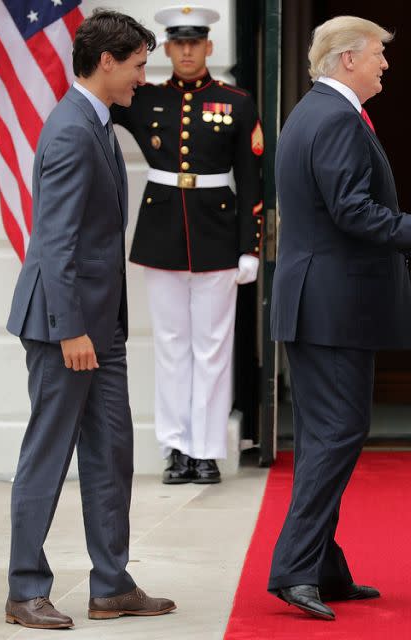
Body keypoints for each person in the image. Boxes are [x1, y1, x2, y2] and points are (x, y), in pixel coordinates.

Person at [268, 15, 411, 621]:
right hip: (331, 307)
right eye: (379, 54)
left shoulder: (314, 112)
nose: (385, 65)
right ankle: (295, 570)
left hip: (319, 304)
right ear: (347, 58)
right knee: (337, 435)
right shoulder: (335, 119)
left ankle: (322, 568)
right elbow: (351, 209)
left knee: (330, 434)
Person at [4, 10, 175, 629]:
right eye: (137, 64)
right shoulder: (73, 130)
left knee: (111, 453)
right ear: (107, 61)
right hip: (65, 327)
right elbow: (55, 242)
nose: (142, 76)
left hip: (100, 329)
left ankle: (111, 585)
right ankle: (25, 588)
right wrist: (71, 328)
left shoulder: (97, 122)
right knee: (47, 456)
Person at [112, 5, 264, 485]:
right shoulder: (143, 99)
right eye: (177, 43)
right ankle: (176, 448)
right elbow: (92, 95)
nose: (186, 51)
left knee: (213, 348)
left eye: (194, 42)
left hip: (218, 235)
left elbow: (252, 179)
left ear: (208, 47)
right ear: (168, 48)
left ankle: (206, 450)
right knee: (172, 347)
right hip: (161, 236)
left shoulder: (236, 102)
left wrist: (251, 246)